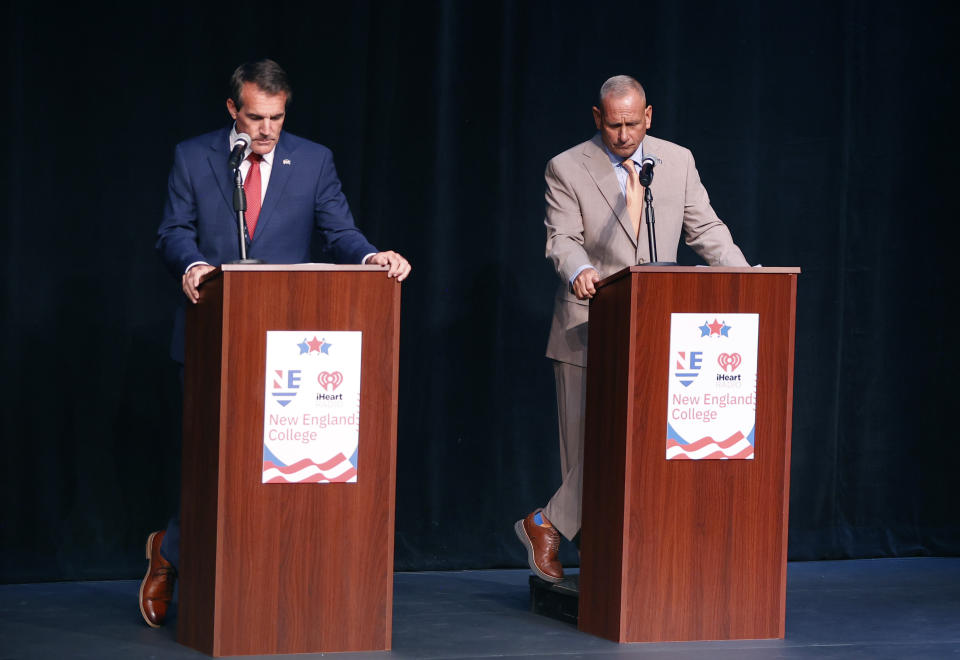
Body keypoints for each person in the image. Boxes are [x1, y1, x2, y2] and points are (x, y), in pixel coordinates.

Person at [141, 59, 411, 628]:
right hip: (211, 333)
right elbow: (174, 231)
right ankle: (170, 554)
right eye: (257, 117)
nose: (267, 130)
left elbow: (339, 230)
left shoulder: (313, 161)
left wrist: (370, 256)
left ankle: (256, 582)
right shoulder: (195, 157)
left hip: (287, 343)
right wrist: (191, 265)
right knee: (210, 460)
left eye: (277, 118)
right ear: (233, 111)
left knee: (274, 468)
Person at [514, 75, 748, 583]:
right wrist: (580, 271)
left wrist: (747, 282)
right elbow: (563, 239)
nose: (624, 136)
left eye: (633, 124)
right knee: (589, 454)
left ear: (649, 117)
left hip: (658, 330)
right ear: (598, 119)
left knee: (637, 448)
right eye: (614, 125)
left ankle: (548, 524)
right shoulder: (567, 167)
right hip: (589, 325)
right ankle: (598, 561)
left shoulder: (676, 160)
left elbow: (704, 229)